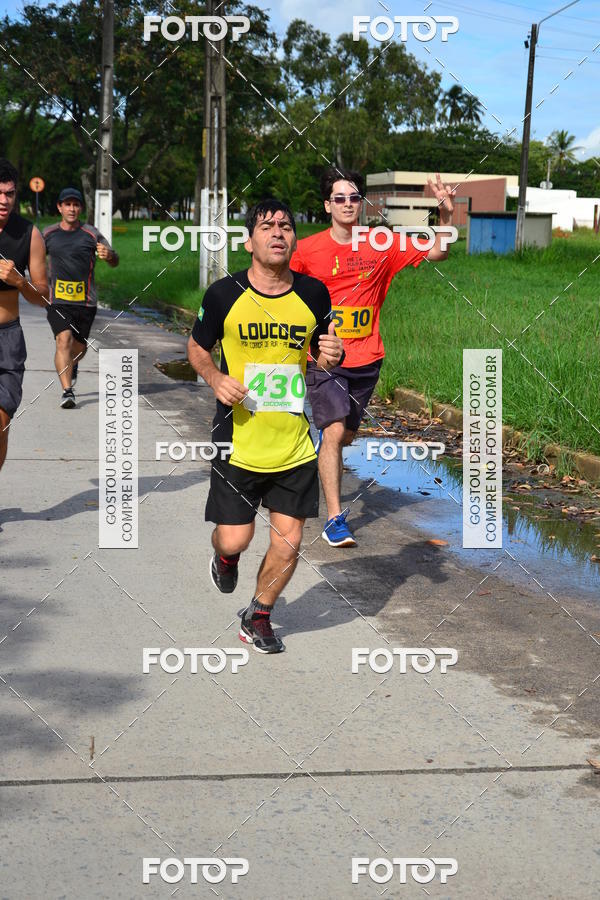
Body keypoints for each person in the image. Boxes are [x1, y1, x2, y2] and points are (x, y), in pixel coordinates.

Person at [187, 199, 343, 654]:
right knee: (236, 536)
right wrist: (215, 378)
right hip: (238, 439)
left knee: (289, 541)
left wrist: (332, 356)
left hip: (293, 442)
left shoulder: (314, 294)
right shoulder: (224, 294)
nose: (278, 233)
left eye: (286, 226)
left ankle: (258, 615)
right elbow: (196, 347)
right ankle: (225, 556)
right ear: (249, 241)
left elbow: (323, 355)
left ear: (294, 239)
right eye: (267, 226)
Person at [290, 167, 454, 547]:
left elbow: (438, 251)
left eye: (354, 198)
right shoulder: (308, 251)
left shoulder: (383, 243)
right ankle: (335, 519)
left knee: (345, 435)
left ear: (361, 203)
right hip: (324, 357)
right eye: (339, 198)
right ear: (327, 205)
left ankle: (321, 455)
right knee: (333, 432)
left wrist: (446, 215)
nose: (347, 204)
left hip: (367, 358)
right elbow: (281, 288)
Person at [43, 188, 119, 408]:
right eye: (67, 204)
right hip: (57, 300)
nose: (72, 209)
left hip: (85, 302)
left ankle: (72, 364)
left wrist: (109, 255)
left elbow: (114, 260)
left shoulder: (91, 233)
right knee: (63, 340)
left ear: (81, 208)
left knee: (79, 348)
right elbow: (34, 257)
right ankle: (67, 391)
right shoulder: (48, 234)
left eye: (76, 205)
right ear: (59, 207)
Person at [0, 158, 48, 474]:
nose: (4, 200)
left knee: (1, 423)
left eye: (10, 193)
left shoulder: (29, 234)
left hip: (7, 339)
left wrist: (20, 281)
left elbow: (43, 297)